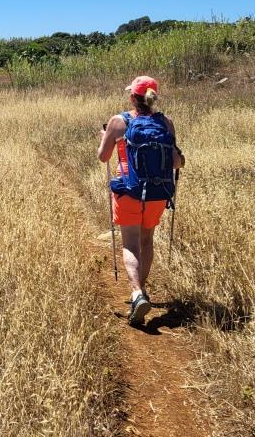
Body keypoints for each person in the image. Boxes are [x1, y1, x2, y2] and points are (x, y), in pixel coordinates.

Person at [96, 76, 184, 326]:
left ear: (132, 97)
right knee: (147, 240)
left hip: (129, 190)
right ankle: (142, 289)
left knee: (131, 243)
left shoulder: (119, 122)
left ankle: (137, 293)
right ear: (153, 97)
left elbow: (103, 157)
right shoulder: (166, 123)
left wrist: (105, 136)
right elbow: (176, 161)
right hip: (157, 192)